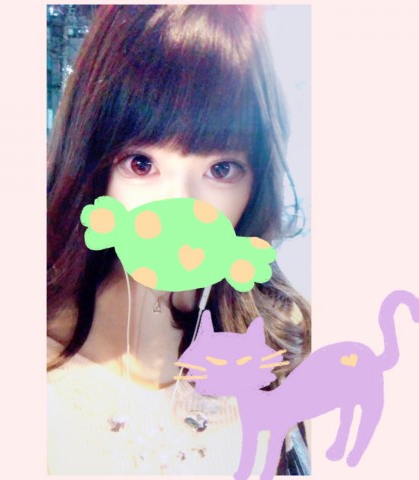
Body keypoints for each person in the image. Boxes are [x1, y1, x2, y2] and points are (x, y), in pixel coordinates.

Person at [47, 5, 311, 476]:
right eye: (141, 164)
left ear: (256, 183)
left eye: (221, 169)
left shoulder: (292, 342)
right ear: (90, 162)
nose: (180, 208)